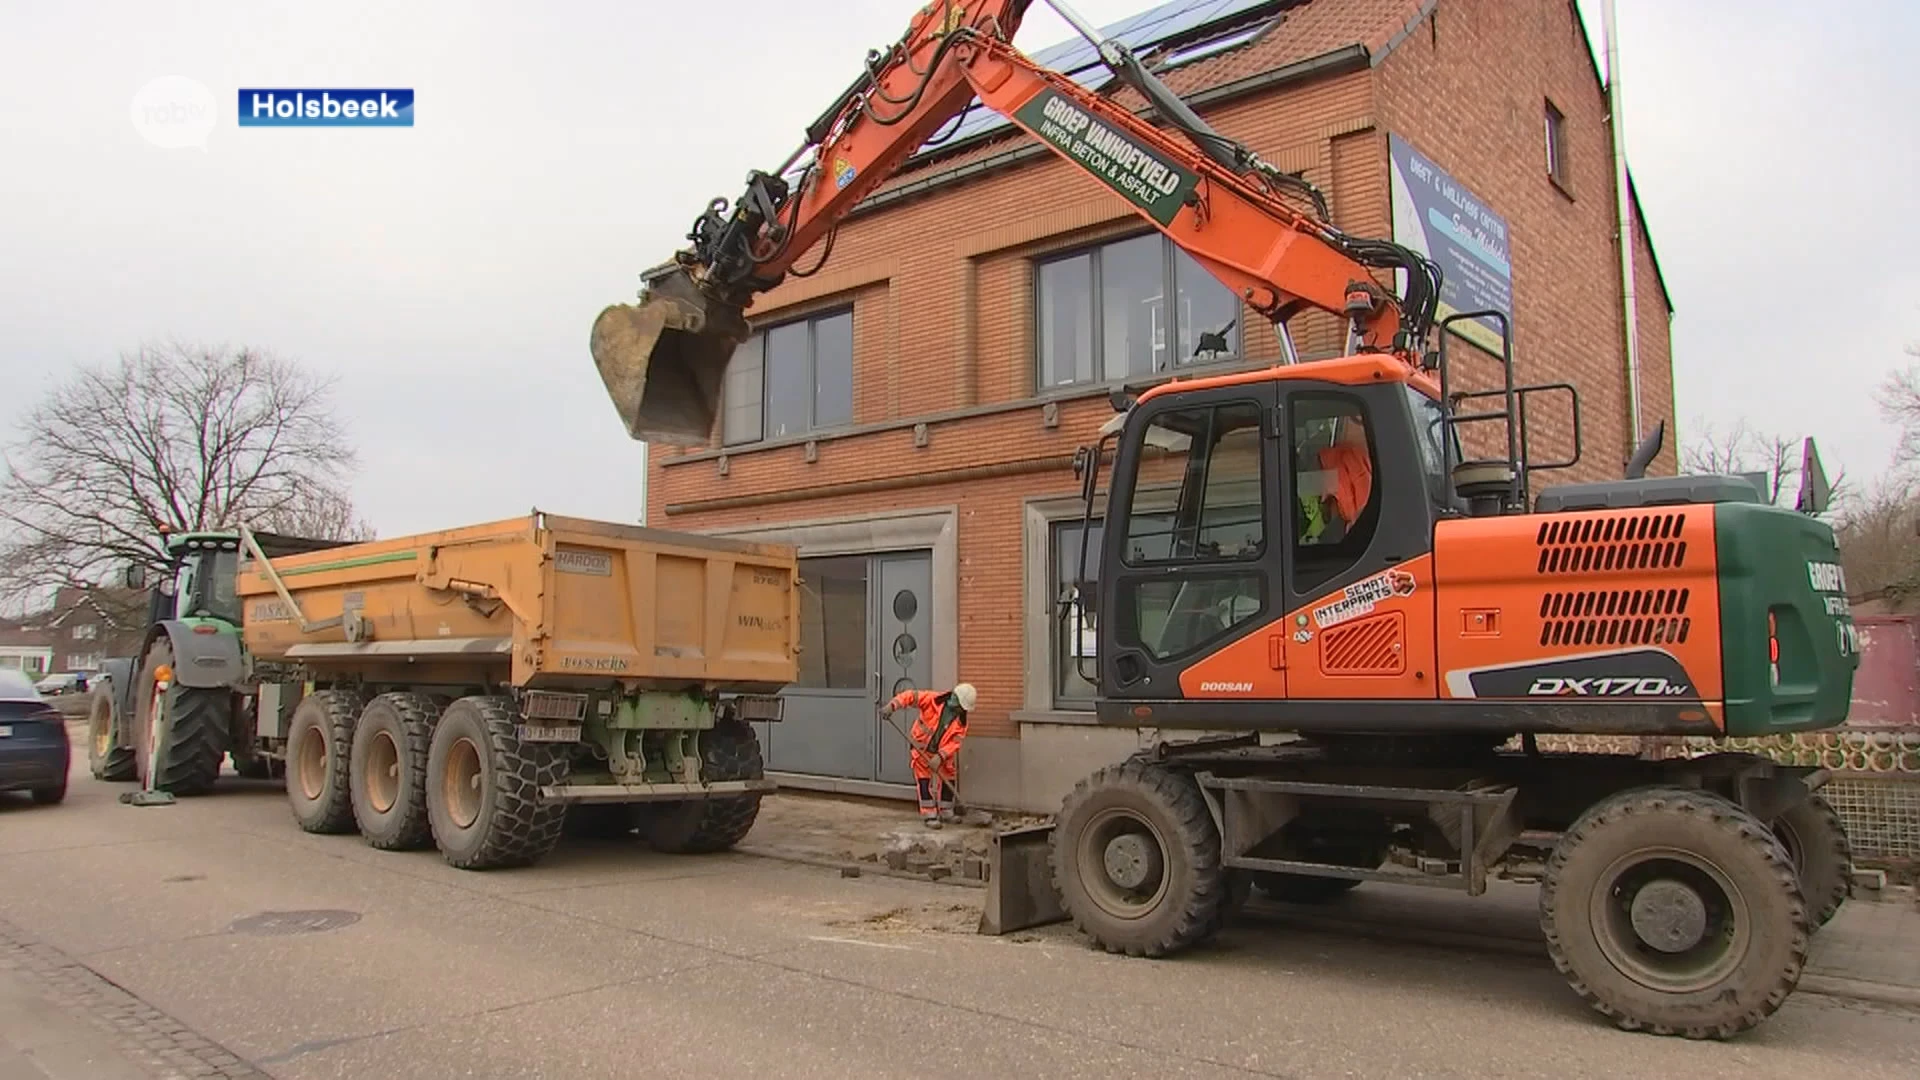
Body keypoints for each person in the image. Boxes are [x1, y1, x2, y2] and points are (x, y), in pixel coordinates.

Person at [883, 682, 976, 827]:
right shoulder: (932, 700)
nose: (961, 710)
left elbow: (954, 743)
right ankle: (929, 813)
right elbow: (910, 696)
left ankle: (946, 811)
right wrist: (893, 705)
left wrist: (940, 756)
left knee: (949, 775)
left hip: (942, 752)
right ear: (955, 699)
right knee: (924, 778)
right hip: (922, 747)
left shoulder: (961, 722)